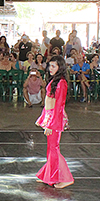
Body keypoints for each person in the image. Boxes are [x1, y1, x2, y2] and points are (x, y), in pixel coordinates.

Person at [34, 56, 74, 188]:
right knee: (51, 148)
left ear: (60, 67)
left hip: (54, 118)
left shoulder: (61, 82)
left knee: (54, 148)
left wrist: (51, 124)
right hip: (50, 116)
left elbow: (59, 105)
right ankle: (49, 175)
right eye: (50, 65)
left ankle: (66, 178)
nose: (50, 68)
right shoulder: (54, 80)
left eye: (54, 66)